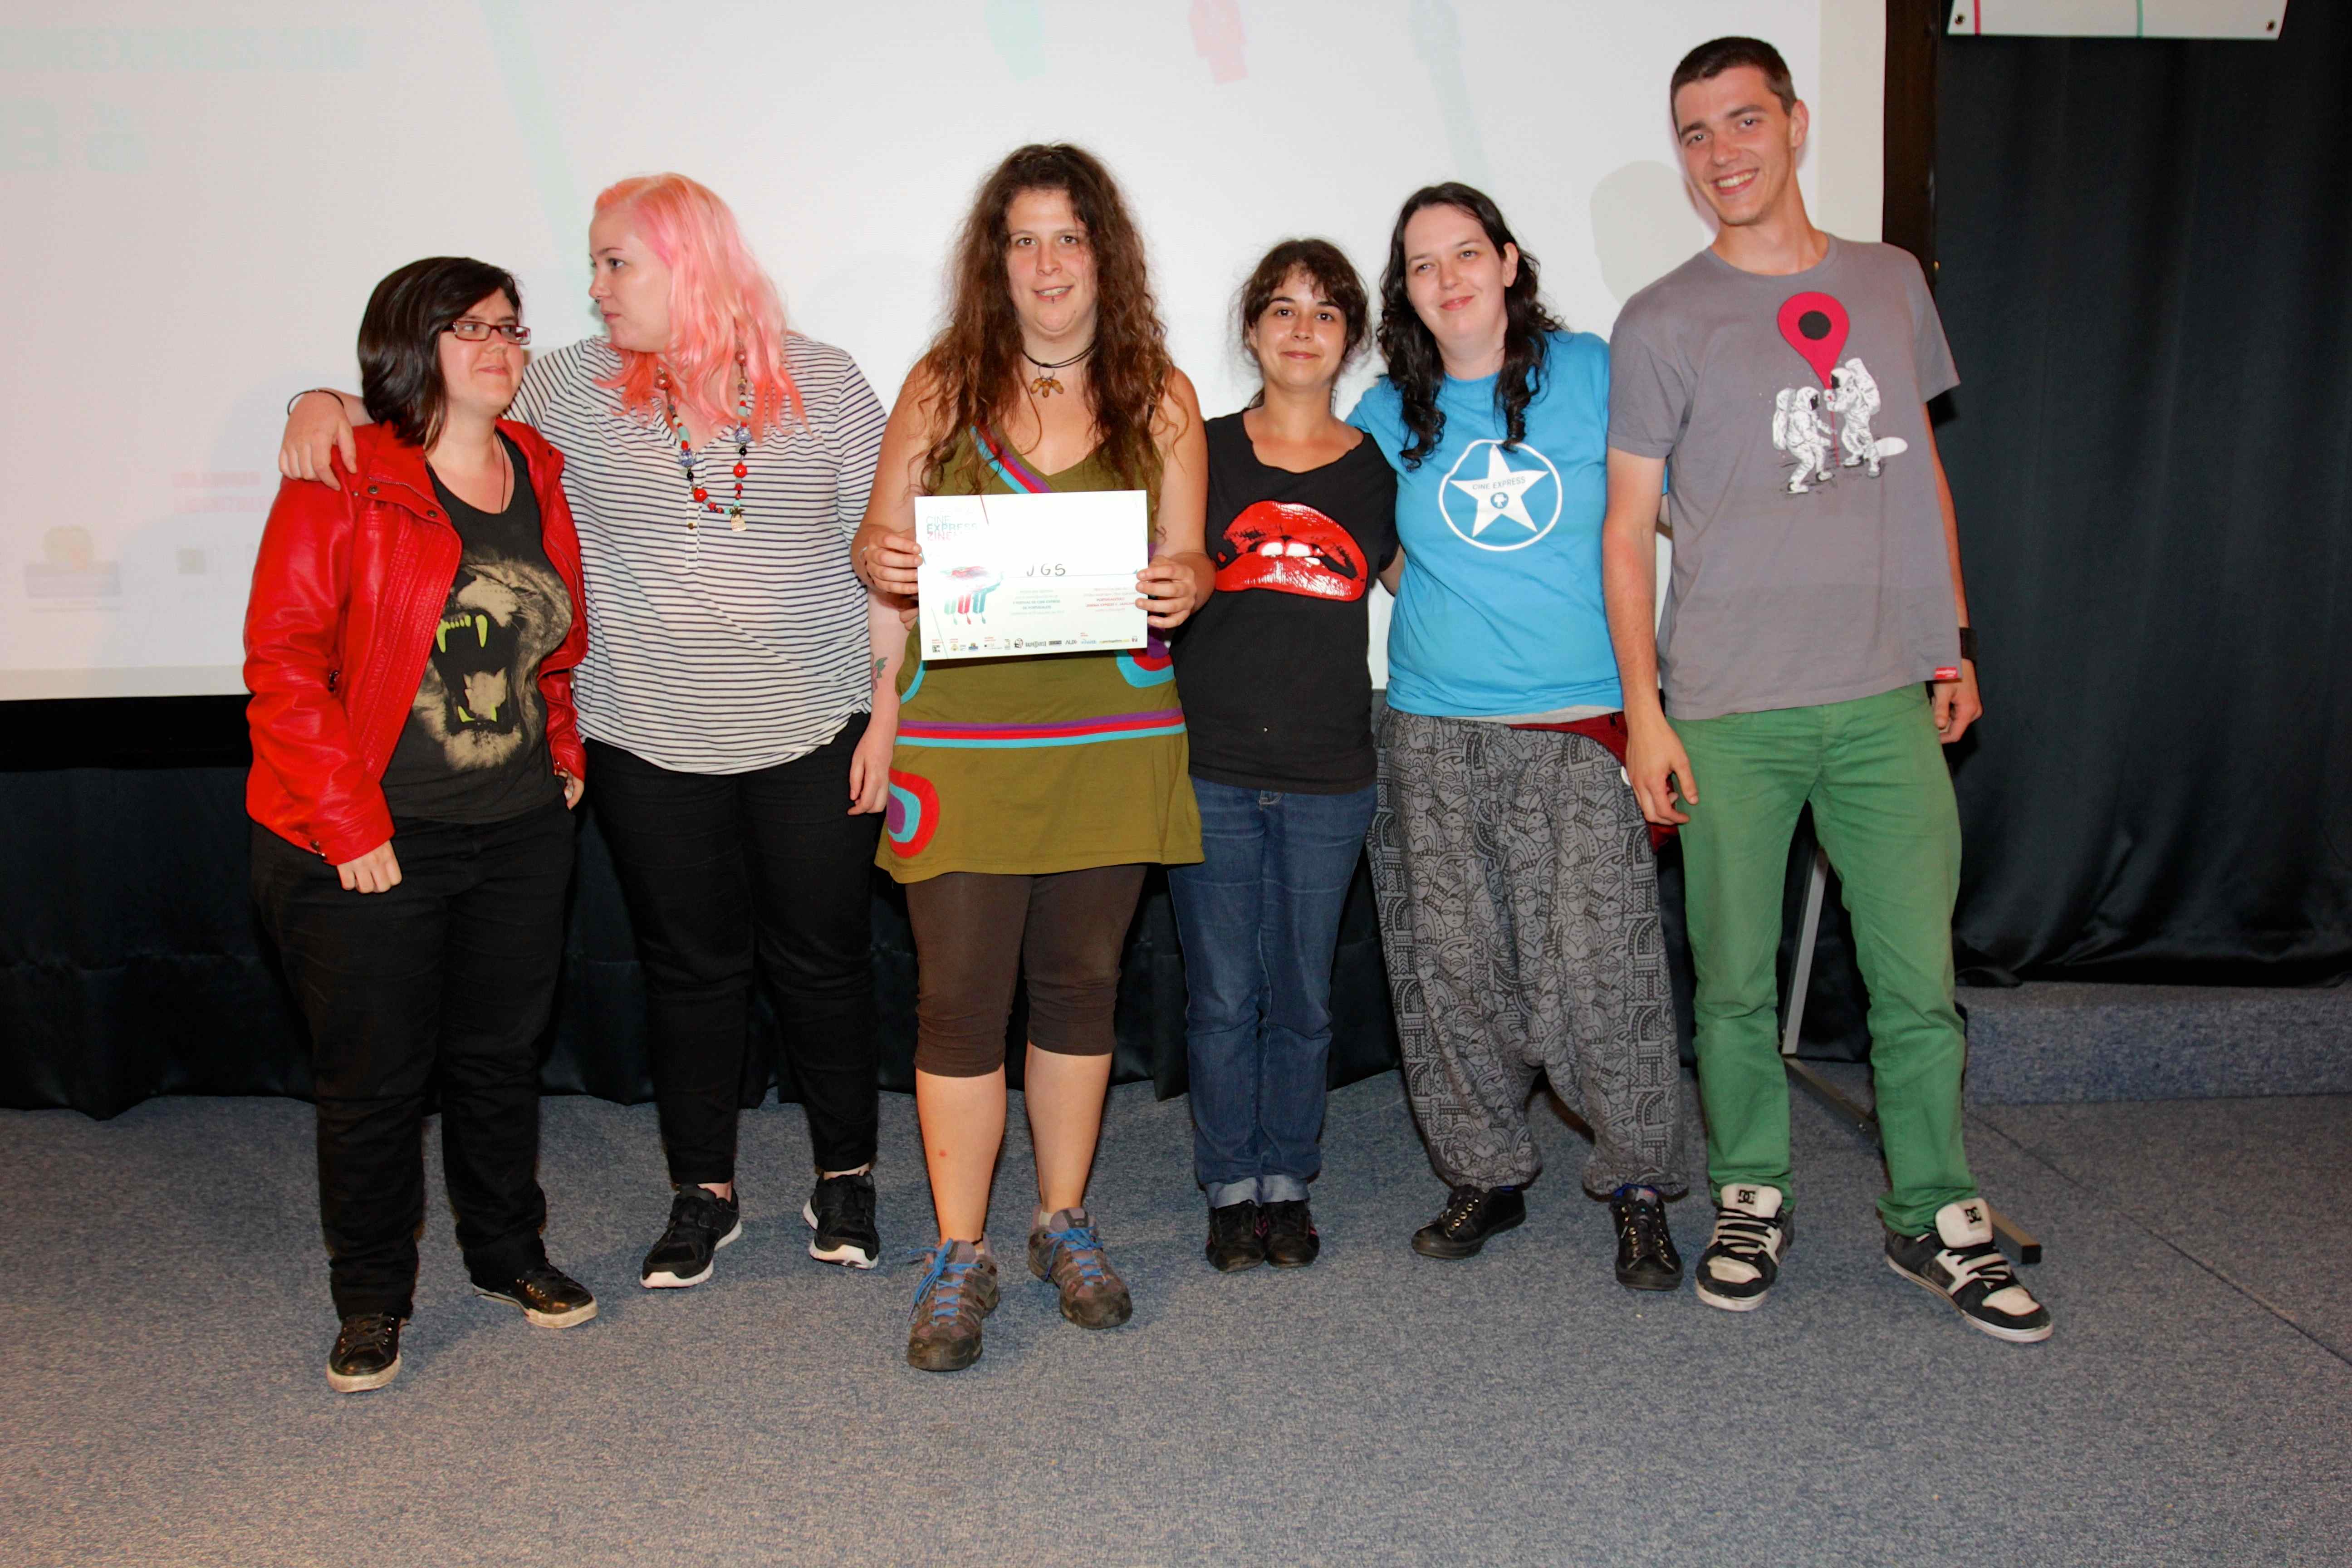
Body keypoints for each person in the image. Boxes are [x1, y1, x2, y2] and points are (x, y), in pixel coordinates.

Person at [279, 175, 901, 1291]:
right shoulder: (568, 384)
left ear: (688, 264)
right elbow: (429, 406)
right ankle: (703, 1192)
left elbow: (885, 556)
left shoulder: (828, 382)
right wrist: (318, 400)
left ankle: (845, 1173)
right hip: (644, 738)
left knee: (825, 964)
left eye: (617, 263)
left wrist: (887, 713)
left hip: (815, 727)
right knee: (690, 972)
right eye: (596, 266)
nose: (597, 288)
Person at [1601, 37, 2051, 1342]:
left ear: (1796, 124)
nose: (1721, 153)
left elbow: (1917, 469)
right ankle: (1751, 1194)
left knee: (1916, 982)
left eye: (1743, 121)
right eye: (1695, 133)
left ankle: (1935, 1216)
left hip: (1881, 696)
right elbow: (1626, 532)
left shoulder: (1892, 281)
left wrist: (1952, 637)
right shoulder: (1660, 319)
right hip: (1728, 707)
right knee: (1734, 986)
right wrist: (1646, 712)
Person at [854, 143, 1212, 1371]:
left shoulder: (1160, 393)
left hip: (1112, 740)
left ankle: (1063, 1220)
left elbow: (1191, 556)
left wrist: (1187, 579)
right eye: (1024, 240)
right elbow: (877, 549)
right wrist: (879, 566)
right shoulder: (941, 384)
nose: (1049, 264)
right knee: (957, 999)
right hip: (961, 743)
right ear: (994, 260)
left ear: (1105, 255)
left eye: (1071, 237)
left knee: (1079, 989)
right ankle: (961, 1250)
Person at [247, 256, 593, 1392]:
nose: (499, 348)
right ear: (413, 344)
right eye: (468, 329)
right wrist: (348, 824)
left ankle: (507, 1255)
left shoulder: (536, 465)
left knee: (499, 1062)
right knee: (375, 1082)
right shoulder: (346, 473)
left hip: (519, 829)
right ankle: (370, 1299)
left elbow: (548, 639)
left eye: (511, 327)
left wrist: (561, 746)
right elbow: (284, 665)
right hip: (369, 841)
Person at [1351, 184, 1688, 1289]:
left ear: (1506, 261)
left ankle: (1639, 1188)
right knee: (1451, 971)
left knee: (1604, 973)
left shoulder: (1591, 371)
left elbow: (1664, 507)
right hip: (1434, 734)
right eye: (1422, 264)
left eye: (1466, 253)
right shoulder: (1385, 415)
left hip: (1581, 726)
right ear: (1405, 291)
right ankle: (1484, 1172)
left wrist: (1652, 710)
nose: (1448, 279)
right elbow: (1382, 557)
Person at [1166, 240, 1396, 1271]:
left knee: (1303, 997)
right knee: (1220, 995)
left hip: (1330, 773)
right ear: (1252, 330)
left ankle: (1288, 1178)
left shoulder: (1380, 468)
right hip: (1208, 763)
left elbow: (1432, 583)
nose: (1303, 330)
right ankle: (1228, 1182)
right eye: (1283, 310)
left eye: (1326, 312)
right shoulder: (1199, 451)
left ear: (1351, 338)